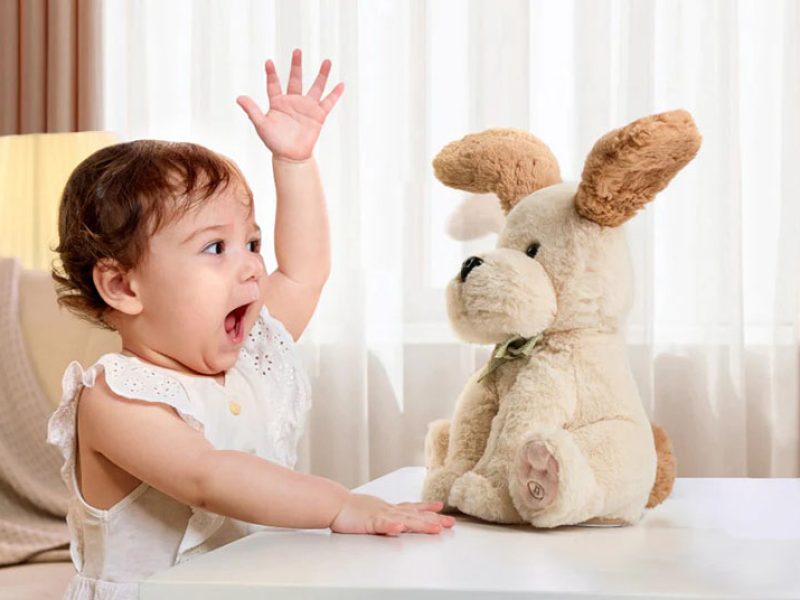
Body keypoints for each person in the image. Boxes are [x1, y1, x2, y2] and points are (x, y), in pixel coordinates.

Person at [46, 49, 454, 599]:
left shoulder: (252, 354)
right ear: (123, 286)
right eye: (216, 247)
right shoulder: (116, 398)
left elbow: (305, 273)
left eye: (253, 243)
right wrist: (340, 504)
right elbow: (207, 476)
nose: (251, 267)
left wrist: (294, 163)